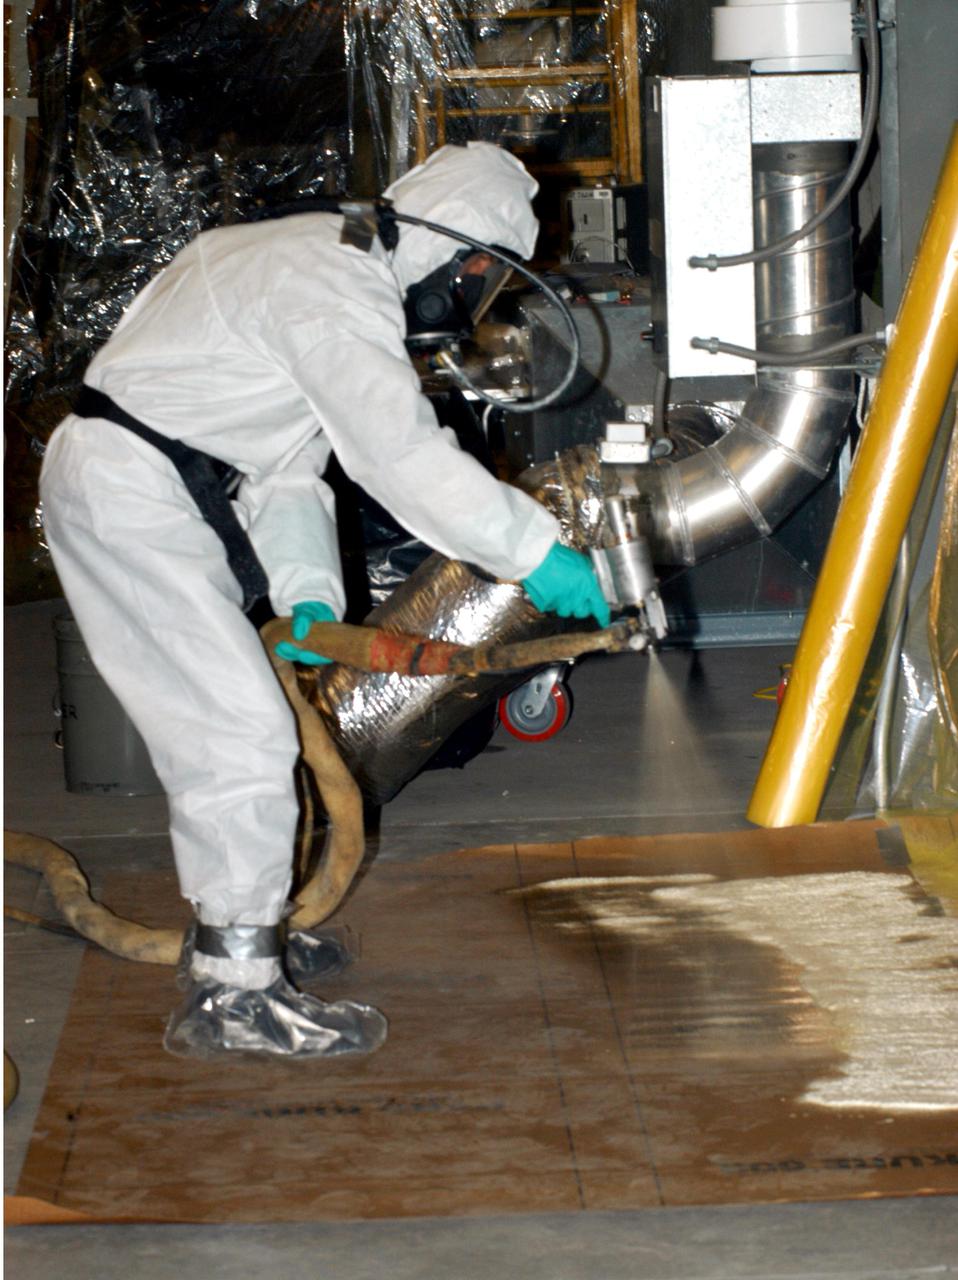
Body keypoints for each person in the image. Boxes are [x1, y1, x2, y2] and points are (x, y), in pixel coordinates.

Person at [39, 142, 610, 1061]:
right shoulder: (334, 284)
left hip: (155, 484)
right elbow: (398, 456)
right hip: (130, 492)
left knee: (241, 728)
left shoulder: (320, 259)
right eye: (485, 281)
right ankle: (233, 995)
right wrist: (532, 551)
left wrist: (309, 600)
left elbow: (289, 467)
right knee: (236, 734)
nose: (473, 301)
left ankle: (245, 929)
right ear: (465, 258)